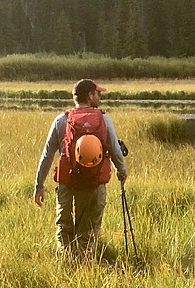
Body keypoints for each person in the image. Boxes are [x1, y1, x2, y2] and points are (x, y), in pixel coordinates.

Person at [33, 78, 128, 255]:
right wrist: (121, 171)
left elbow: (47, 155)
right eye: (97, 93)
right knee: (89, 229)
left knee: (64, 226)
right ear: (90, 96)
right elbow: (115, 149)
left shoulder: (62, 120)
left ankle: (66, 262)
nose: (99, 96)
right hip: (95, 181)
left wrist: (39, 186)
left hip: (67, 182)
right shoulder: (104, 119)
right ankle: (85, 265)